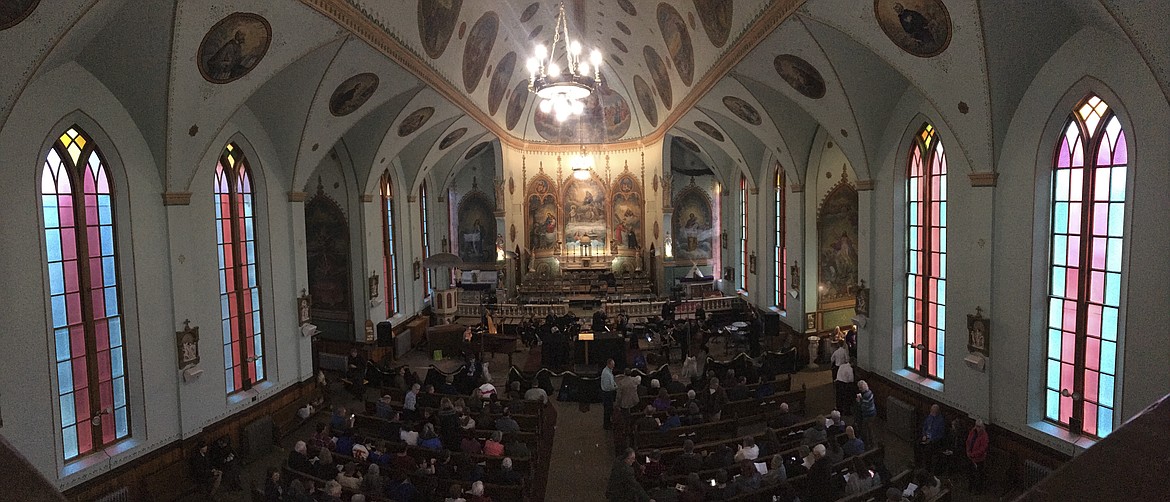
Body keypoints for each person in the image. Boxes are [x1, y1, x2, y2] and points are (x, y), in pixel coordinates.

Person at [917, 404, 946, 469]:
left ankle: (927, 468)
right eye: (931, 411)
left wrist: (931, 440)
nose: (931, 413)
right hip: (926, 436)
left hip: (934, 440)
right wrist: (924, 434)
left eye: (933, 412)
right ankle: (918, 463)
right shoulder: (929, 417)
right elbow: (925, 426)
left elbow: (940, 435)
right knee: (917, 444)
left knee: (928, 450)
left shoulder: (940, 421)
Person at [966, 419, 989, 494]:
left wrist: (973, 455)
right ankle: (970, 487)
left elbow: (982, 449)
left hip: (979, 459)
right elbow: (968, 441)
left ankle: (978, 490)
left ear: (982, 427)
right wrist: (968, 451)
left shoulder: (984, 436)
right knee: (970, 473)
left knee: (979, 475)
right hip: (970, 457)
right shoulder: (973, 432)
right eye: (976, 426)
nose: (977, 428)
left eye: (979, 426)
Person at [601, 359, 618, 430]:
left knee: (609, 408)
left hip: (609, 393)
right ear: (608, 364)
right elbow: (608, 386)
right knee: (607, 409)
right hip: (607, 393)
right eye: (612, 364)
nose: (613, 366)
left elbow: (612, 381)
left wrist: (614, 384)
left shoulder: (609, 371)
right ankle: (606, 425)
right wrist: (616, 387)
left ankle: (608, 422)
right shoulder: (606, 374)